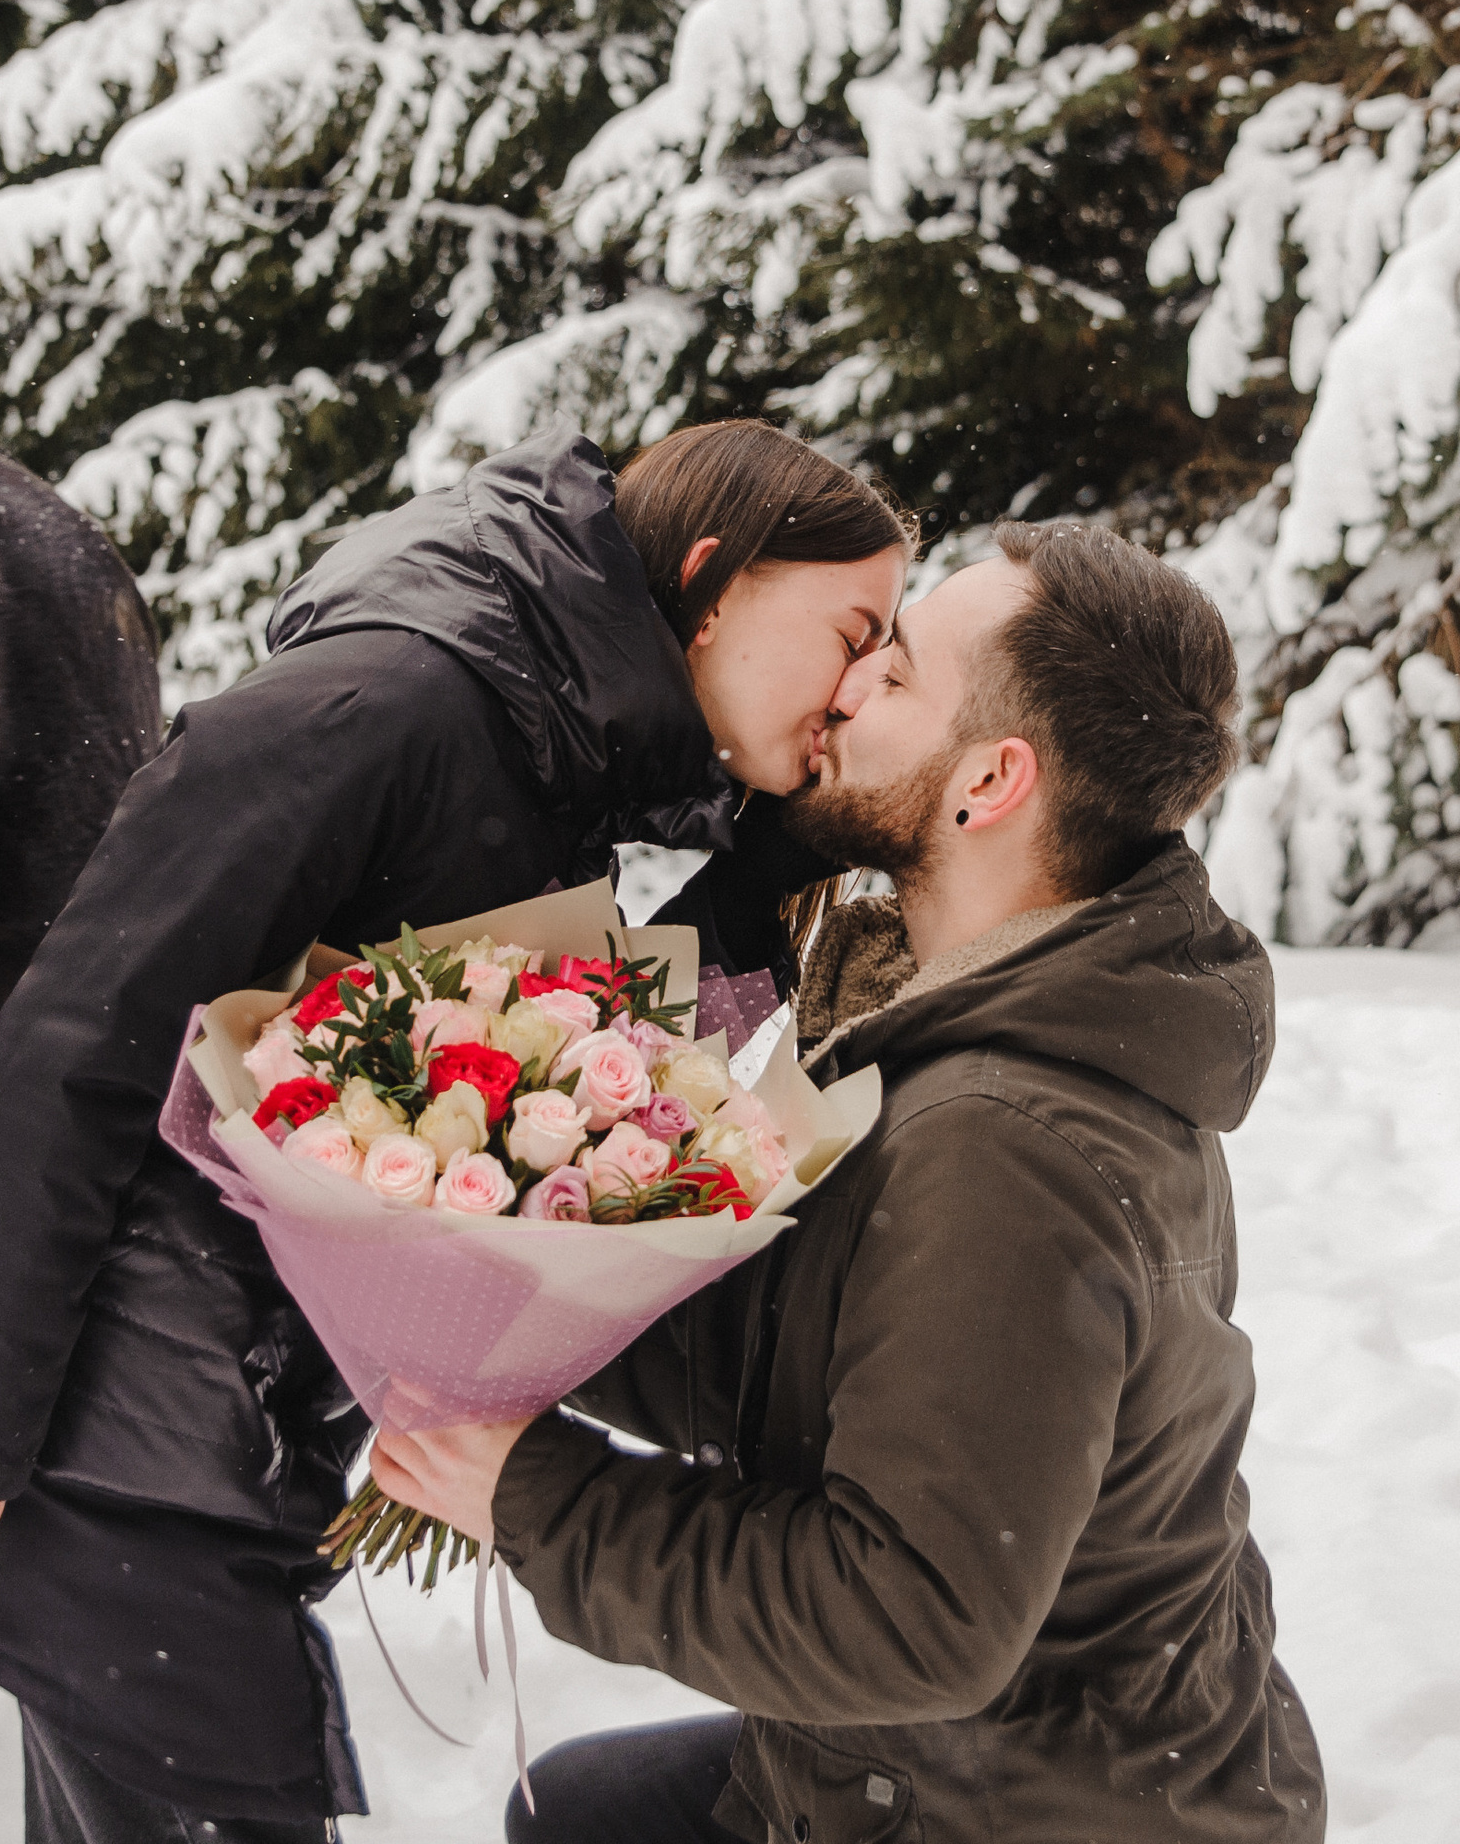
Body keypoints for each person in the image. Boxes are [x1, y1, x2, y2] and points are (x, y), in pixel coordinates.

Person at [0, 418, 910, 1840]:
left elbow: (579, 1073)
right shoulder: (385, 700)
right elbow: (76, 1035)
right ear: (714, 576)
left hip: (210, 1455)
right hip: (118, 1465)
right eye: (852, 630)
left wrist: (786, 862)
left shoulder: (533, 740)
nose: (860, 683)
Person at [369, 521, 1327, 1843]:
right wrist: (508, 1292)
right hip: (1018, 1753)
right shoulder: (1000, 1028)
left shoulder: (1007, 1144)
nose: (848, 685)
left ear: (990, 780)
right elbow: (815, 1361)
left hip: (1021, 1805)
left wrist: (532, 1489)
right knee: (574, 1812)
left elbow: (909, 1618)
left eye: (897, 672)